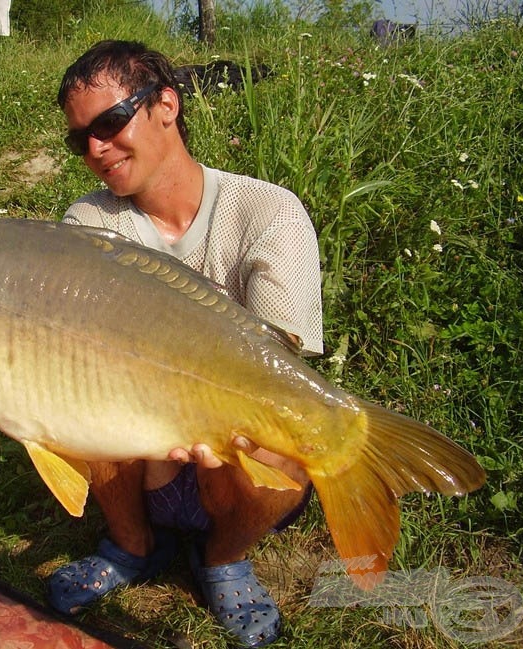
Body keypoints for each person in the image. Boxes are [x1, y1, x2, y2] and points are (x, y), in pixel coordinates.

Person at [48, 40, 323, 648]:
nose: (95, 149)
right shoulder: (90, 224)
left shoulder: (269, 211)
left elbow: (277, 363)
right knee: (70, 390)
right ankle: (131, 544)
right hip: (141, 455)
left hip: (231, 446)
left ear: (166, 104)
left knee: (287, 435)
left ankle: (224, 558)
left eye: (110, 123)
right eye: (79, 139)